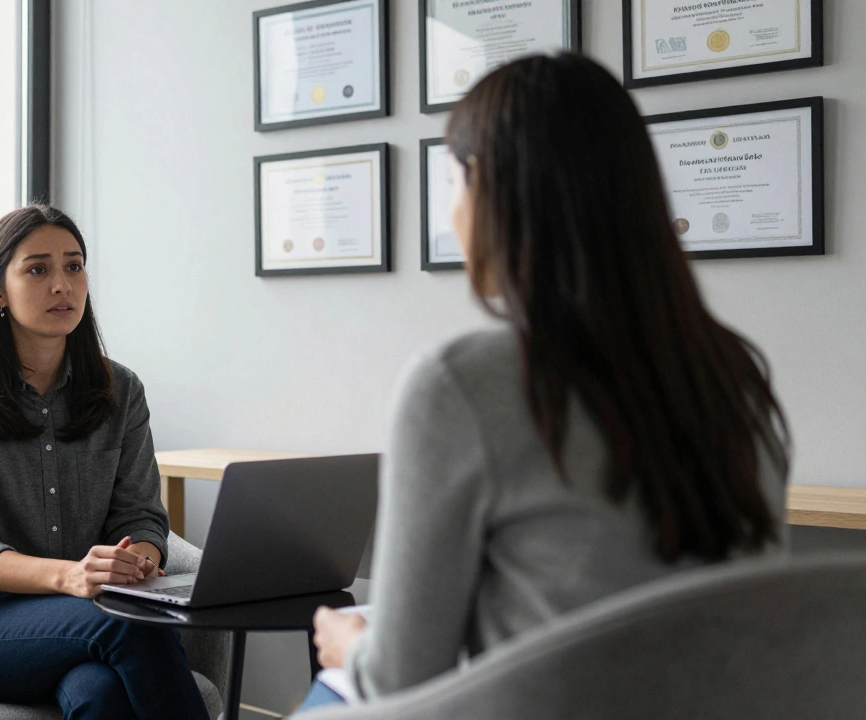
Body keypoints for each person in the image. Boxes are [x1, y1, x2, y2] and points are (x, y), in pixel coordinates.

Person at [299, 52, 790, 712]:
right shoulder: (734, 376)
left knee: (335, 693)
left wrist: (349, 642)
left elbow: (402, 682)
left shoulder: (461, 385)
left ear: (490, 190)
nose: (452, 212)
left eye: (452, 181)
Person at [0, 205, 210, 720]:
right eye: (38, 269)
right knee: (127, 625)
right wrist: (72, 577)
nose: (62, 285)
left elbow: (140, 514)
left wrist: (134, 560)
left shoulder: (122, 390)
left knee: (101, 696)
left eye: (74, 267)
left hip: (89, 617)